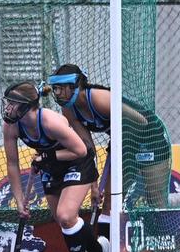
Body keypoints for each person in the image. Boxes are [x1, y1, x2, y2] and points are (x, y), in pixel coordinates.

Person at [2, 80, 110, 252]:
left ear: (25, 107)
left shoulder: (50, 122)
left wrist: (47, 157)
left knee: (66, 214)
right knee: (62, 219)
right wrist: (18, 200)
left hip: (77, 161)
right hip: (51, 165)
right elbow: (12, 164)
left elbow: (81, 150)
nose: (8, 108)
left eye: (12, 103)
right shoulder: (11, 126)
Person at [48, 64, 172, 240]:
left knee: (155, 199)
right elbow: (87, 149)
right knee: (110, 202)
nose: (57, 93)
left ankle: (165, 244)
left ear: (74, 86)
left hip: (151, 139)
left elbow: (141, 121)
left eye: (60, 88)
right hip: (123, 145)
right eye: (55, 89)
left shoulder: (99, 98)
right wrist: (93, 184)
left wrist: (119, 139)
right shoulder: (69, 109)